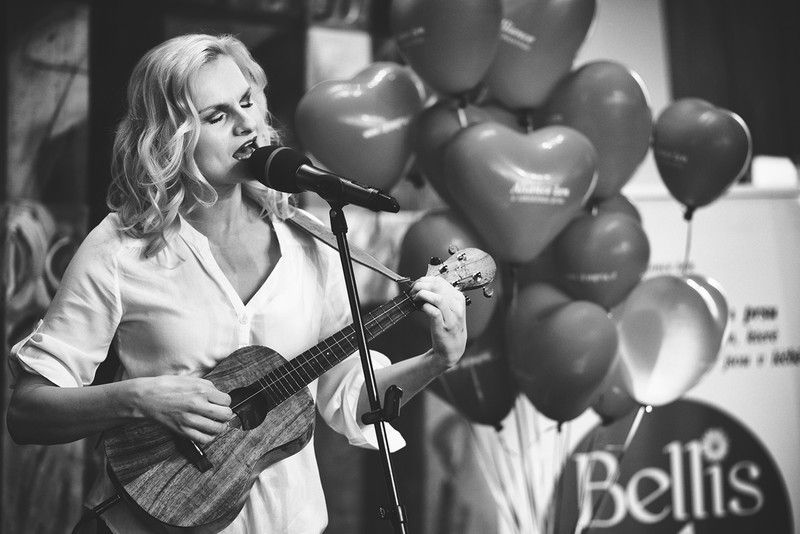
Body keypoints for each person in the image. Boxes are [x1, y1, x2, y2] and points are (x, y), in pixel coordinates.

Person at [6, 33, 467, 534]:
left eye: (247, 102)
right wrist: (138, 398)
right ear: (171, 137)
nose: (247, 124)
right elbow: (28, 411)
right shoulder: (121, 248)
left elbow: (350, 396)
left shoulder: (310, 241)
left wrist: (437, 360)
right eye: (217, 116)